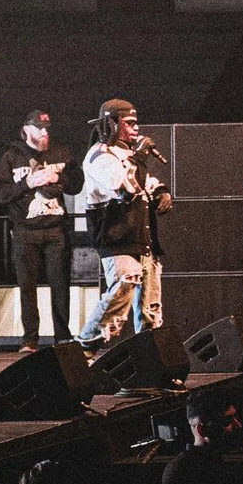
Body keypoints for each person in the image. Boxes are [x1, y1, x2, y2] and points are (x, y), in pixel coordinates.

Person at [80, 98, 171, 346]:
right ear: (111, 124)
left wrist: (161, 191)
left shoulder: (128, 155)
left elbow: (145, 182)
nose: (136, 128)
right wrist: (141, 156)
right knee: (126, 278)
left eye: (136, 123)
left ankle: (151, 358)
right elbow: (127, 188)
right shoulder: (99, 156)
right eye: (129, 123)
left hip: (141, 238)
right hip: (116, 237)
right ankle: (86, 346)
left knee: (151, 307)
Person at [0, 108, 81, 349]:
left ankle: (62, 337)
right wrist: (28, 182)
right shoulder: (12, 156)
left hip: (55, 229)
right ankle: (30, 339)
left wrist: (57, 180)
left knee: (60, 285)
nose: (44, 133)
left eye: (47, 129)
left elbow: (77, 183)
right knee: (27, 286)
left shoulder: (62, 152)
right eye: (39, 129)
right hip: (25, 230)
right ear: (27, 129)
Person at [162, 392, 243, 484]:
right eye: (227, 421)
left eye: (235, 417)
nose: (238, 425)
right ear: (202, 429)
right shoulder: (183, 472)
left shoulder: (218, 459)